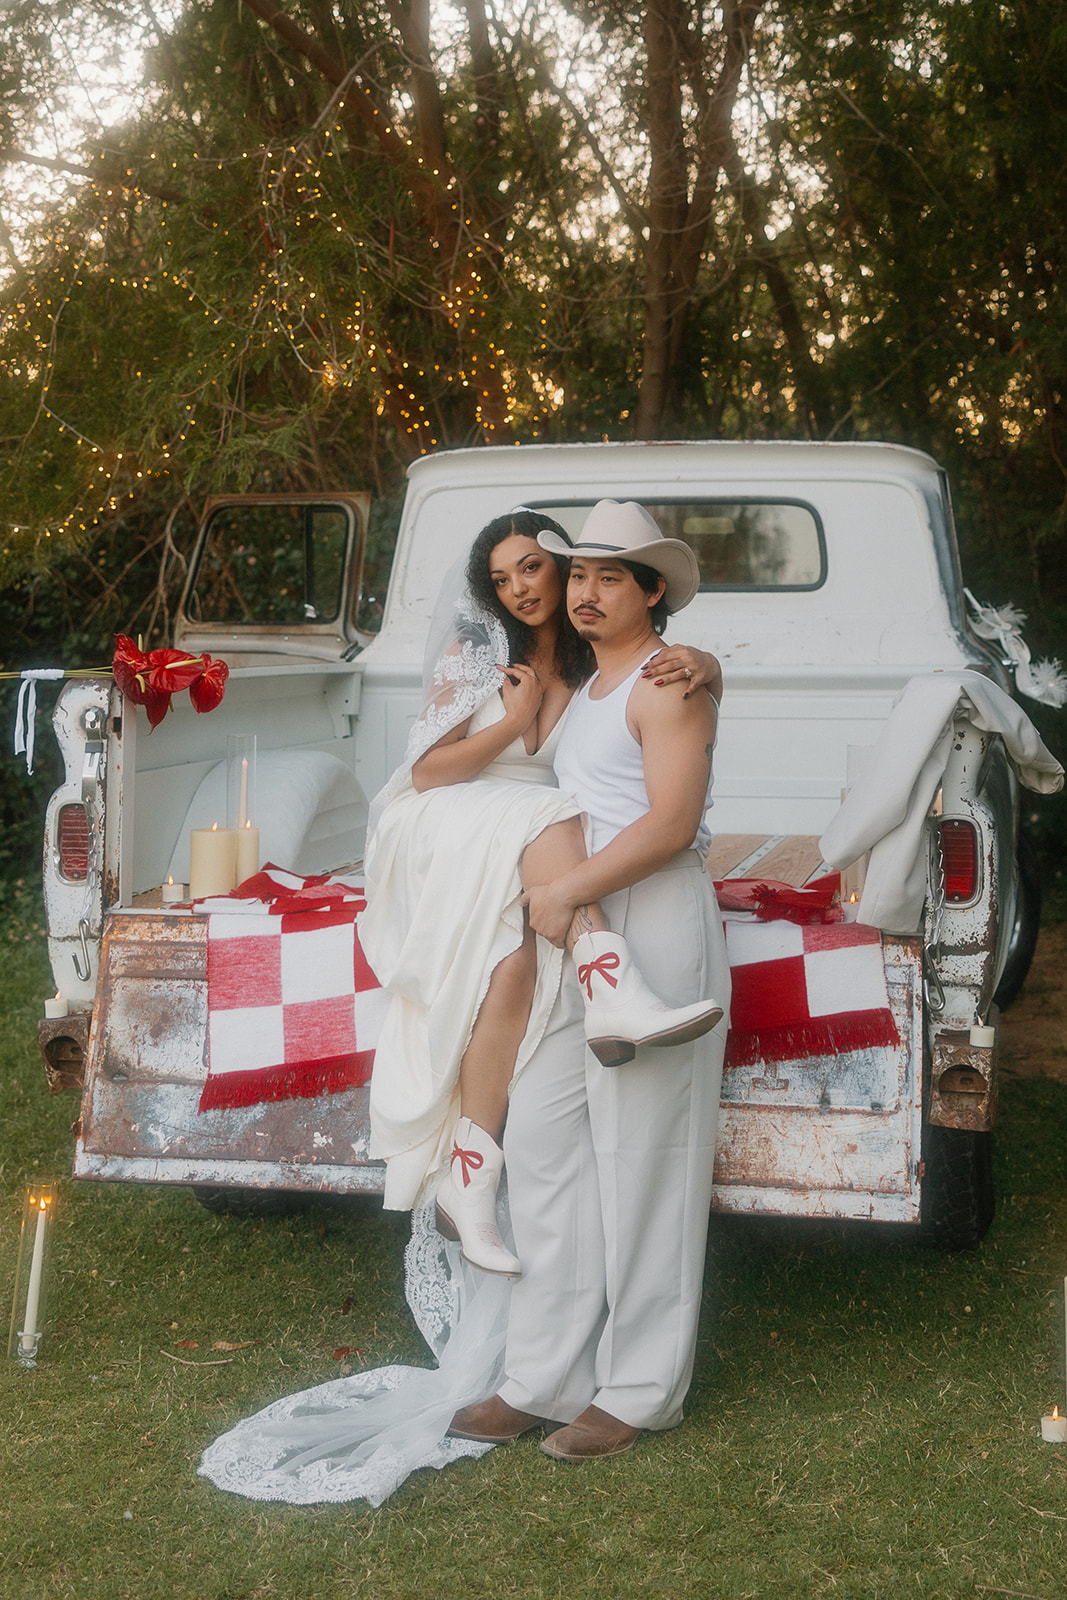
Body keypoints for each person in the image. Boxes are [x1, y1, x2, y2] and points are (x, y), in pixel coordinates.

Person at [359, 508, 723, 1279]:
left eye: (532, 567)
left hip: (529, 851)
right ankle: (607, 972)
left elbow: (656, 687)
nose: (519, 588)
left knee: (514, 975)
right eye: (500, 578)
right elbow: (426, 771)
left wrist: (708, 665)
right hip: (442, 819)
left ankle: (469, 1177)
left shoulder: (597, 662)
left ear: (566, 570)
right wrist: (515, 719)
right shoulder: (482, 651)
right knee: (547, 808)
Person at [447, 499, 731, 1461]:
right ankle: (543, 1375)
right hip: (582, 927)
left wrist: (562, 891)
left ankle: (640, 1388)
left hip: (650, 915)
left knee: (645, 1158)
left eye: (611, 577)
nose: (585, 593)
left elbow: (670, 822)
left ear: (653, 591)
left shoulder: (667, 682)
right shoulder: (588, 680)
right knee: (547, 1142)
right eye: (578, 576)